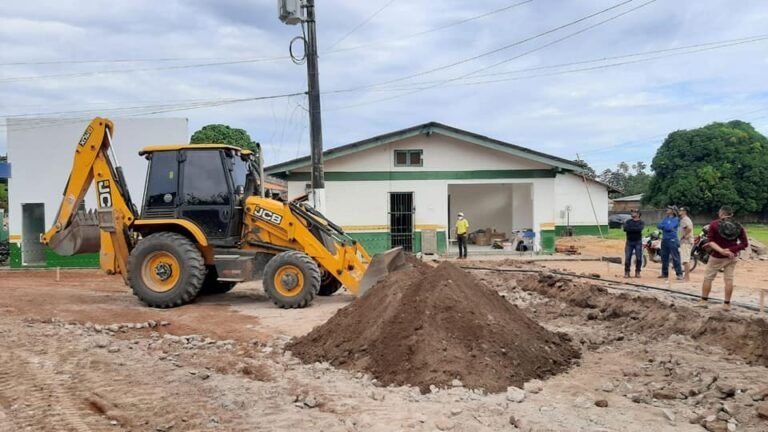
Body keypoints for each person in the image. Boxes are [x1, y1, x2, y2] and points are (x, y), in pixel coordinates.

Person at [699, 206, 748, 310]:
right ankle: (727, 304)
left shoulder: (714, 224)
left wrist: (721, 250)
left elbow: (710, 241)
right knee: (729, 280)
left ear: (721, 214)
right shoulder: (738, 226)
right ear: (731, 214)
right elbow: (744, 244)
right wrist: (731, 250)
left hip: (717, 256)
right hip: (732, 257)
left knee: (708, 278)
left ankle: (704, 301)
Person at [657, 205, 683, 280]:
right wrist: (666, 226)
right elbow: (658, 225)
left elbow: (669, 227)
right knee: (664, 257)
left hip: (672, 240)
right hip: (664, 239)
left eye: (669, 209)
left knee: (675, 257)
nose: (667, 210)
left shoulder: (676, 219)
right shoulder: (665, 218)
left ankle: (679, 273)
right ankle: (664, 273)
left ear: (673, 211)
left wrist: (664, 226)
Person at [623, 209, 645, 278]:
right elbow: (625, 229)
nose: (632, 213)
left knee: (638, 258)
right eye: (632, 212)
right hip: (629, 242)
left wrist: (631, 229)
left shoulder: (641, 222)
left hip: (638, 242)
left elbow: (639, 229)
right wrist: (634, 229)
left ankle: (637, 272)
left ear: (638, 214)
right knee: (627, 258)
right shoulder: (628, 221)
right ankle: (627, 272)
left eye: (634, 212)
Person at [678, 206, 694, 281]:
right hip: (687, 242)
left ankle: (687, 277)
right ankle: (686, 277)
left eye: (681, 210)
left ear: (685, 212)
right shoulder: (685, 219)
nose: (679, 211)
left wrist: (684, 236)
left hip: (686, 242)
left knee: (685, 260)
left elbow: (689, 228)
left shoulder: (684, 219)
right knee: (685, 259)